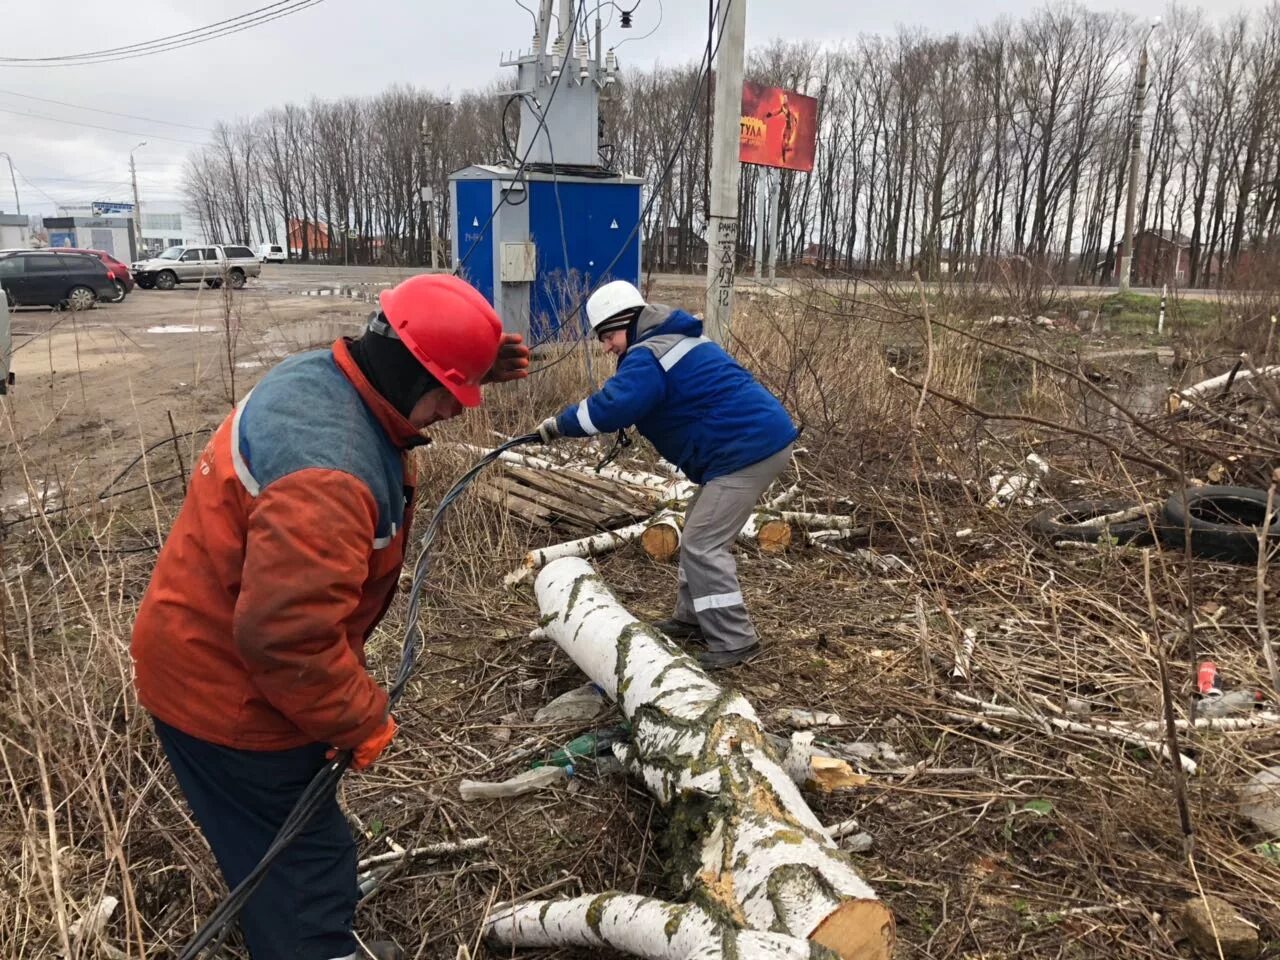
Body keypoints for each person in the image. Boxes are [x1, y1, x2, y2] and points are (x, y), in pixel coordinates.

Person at [130, 274, 529, 960]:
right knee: (308, 871)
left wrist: (463, 357)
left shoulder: (326, 376)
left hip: (196, 652)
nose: (458, 413)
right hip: (231, 699)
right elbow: (288, 640)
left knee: (273, 857)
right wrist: (361, 719)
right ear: (413, 375)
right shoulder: (332, 472)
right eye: (454, 394)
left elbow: (408, 363)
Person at [537, 280, 796, 669]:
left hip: (747, 451)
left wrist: (559, 425)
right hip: (749, 445)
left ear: (627, 320)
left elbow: (610, 408)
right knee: (696, 528)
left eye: (608, 336)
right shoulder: (670, 340)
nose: (606, 347)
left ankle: (735, 640)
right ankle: (692, 617)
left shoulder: (649, 354)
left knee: (702, 542)